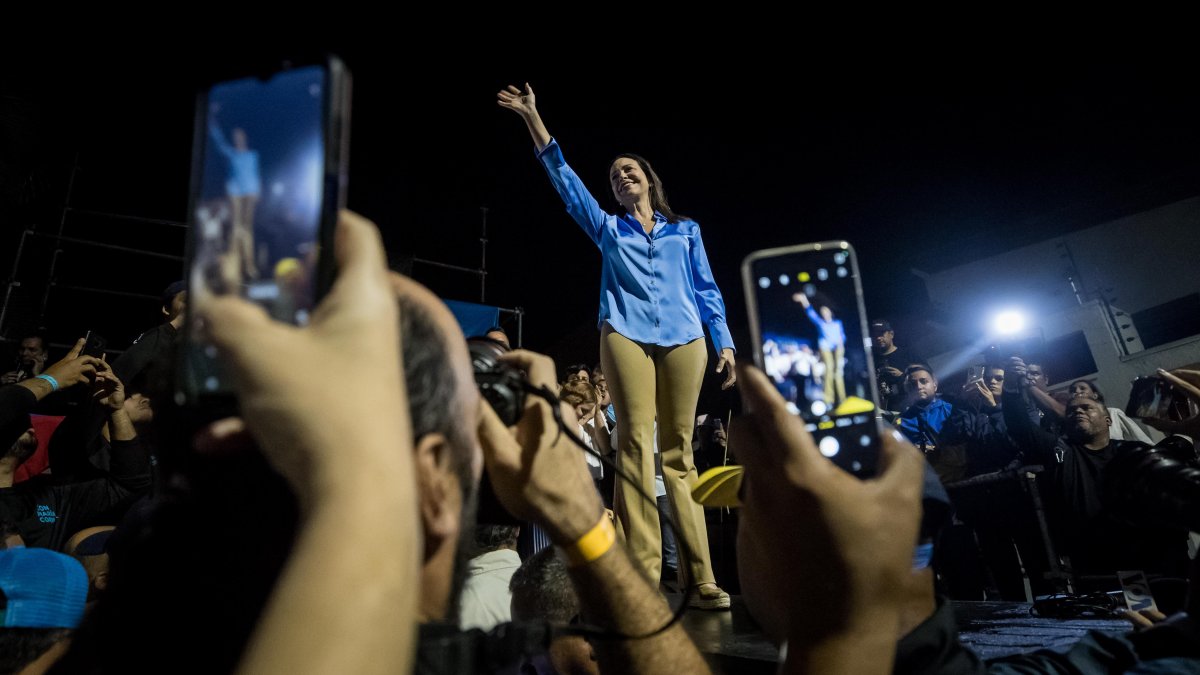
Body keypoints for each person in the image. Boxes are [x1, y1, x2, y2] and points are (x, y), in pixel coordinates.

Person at [499, 83, 735, 609]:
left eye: (630, 170)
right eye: (614, 175)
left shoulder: (686, 231)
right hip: (626, 333)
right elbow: (565, 181)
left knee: (678, 454)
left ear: (649, 180)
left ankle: (701, 579)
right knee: (632, 445)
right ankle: (644, 577)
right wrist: (533, 119)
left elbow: (707, 288)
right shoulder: (608, 229)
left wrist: (725, 342)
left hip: (686, 337)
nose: (622, 177)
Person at [794, 292, 847, 407]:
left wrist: (840, 346)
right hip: (825, 348)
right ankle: (829, 400)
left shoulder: (837, 324)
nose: (824, 314)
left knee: (837, 373)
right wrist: (804, 300)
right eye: (822, 312)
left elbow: (842, 337)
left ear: (830, 312)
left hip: (837, 348)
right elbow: (810, 313)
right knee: (828, 370)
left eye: (826, 311)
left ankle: (842, 399)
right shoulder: (821, 323)